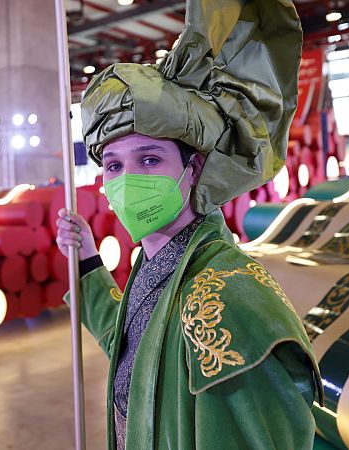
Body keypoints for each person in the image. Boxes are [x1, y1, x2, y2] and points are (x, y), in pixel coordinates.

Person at [55, 0, 323, 448]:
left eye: (150, 159)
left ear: (193, 168)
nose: (129, 181)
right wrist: (86, 261)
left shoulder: (229, 297)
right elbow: (139, 355)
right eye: (115, 166)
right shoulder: (158, 261)